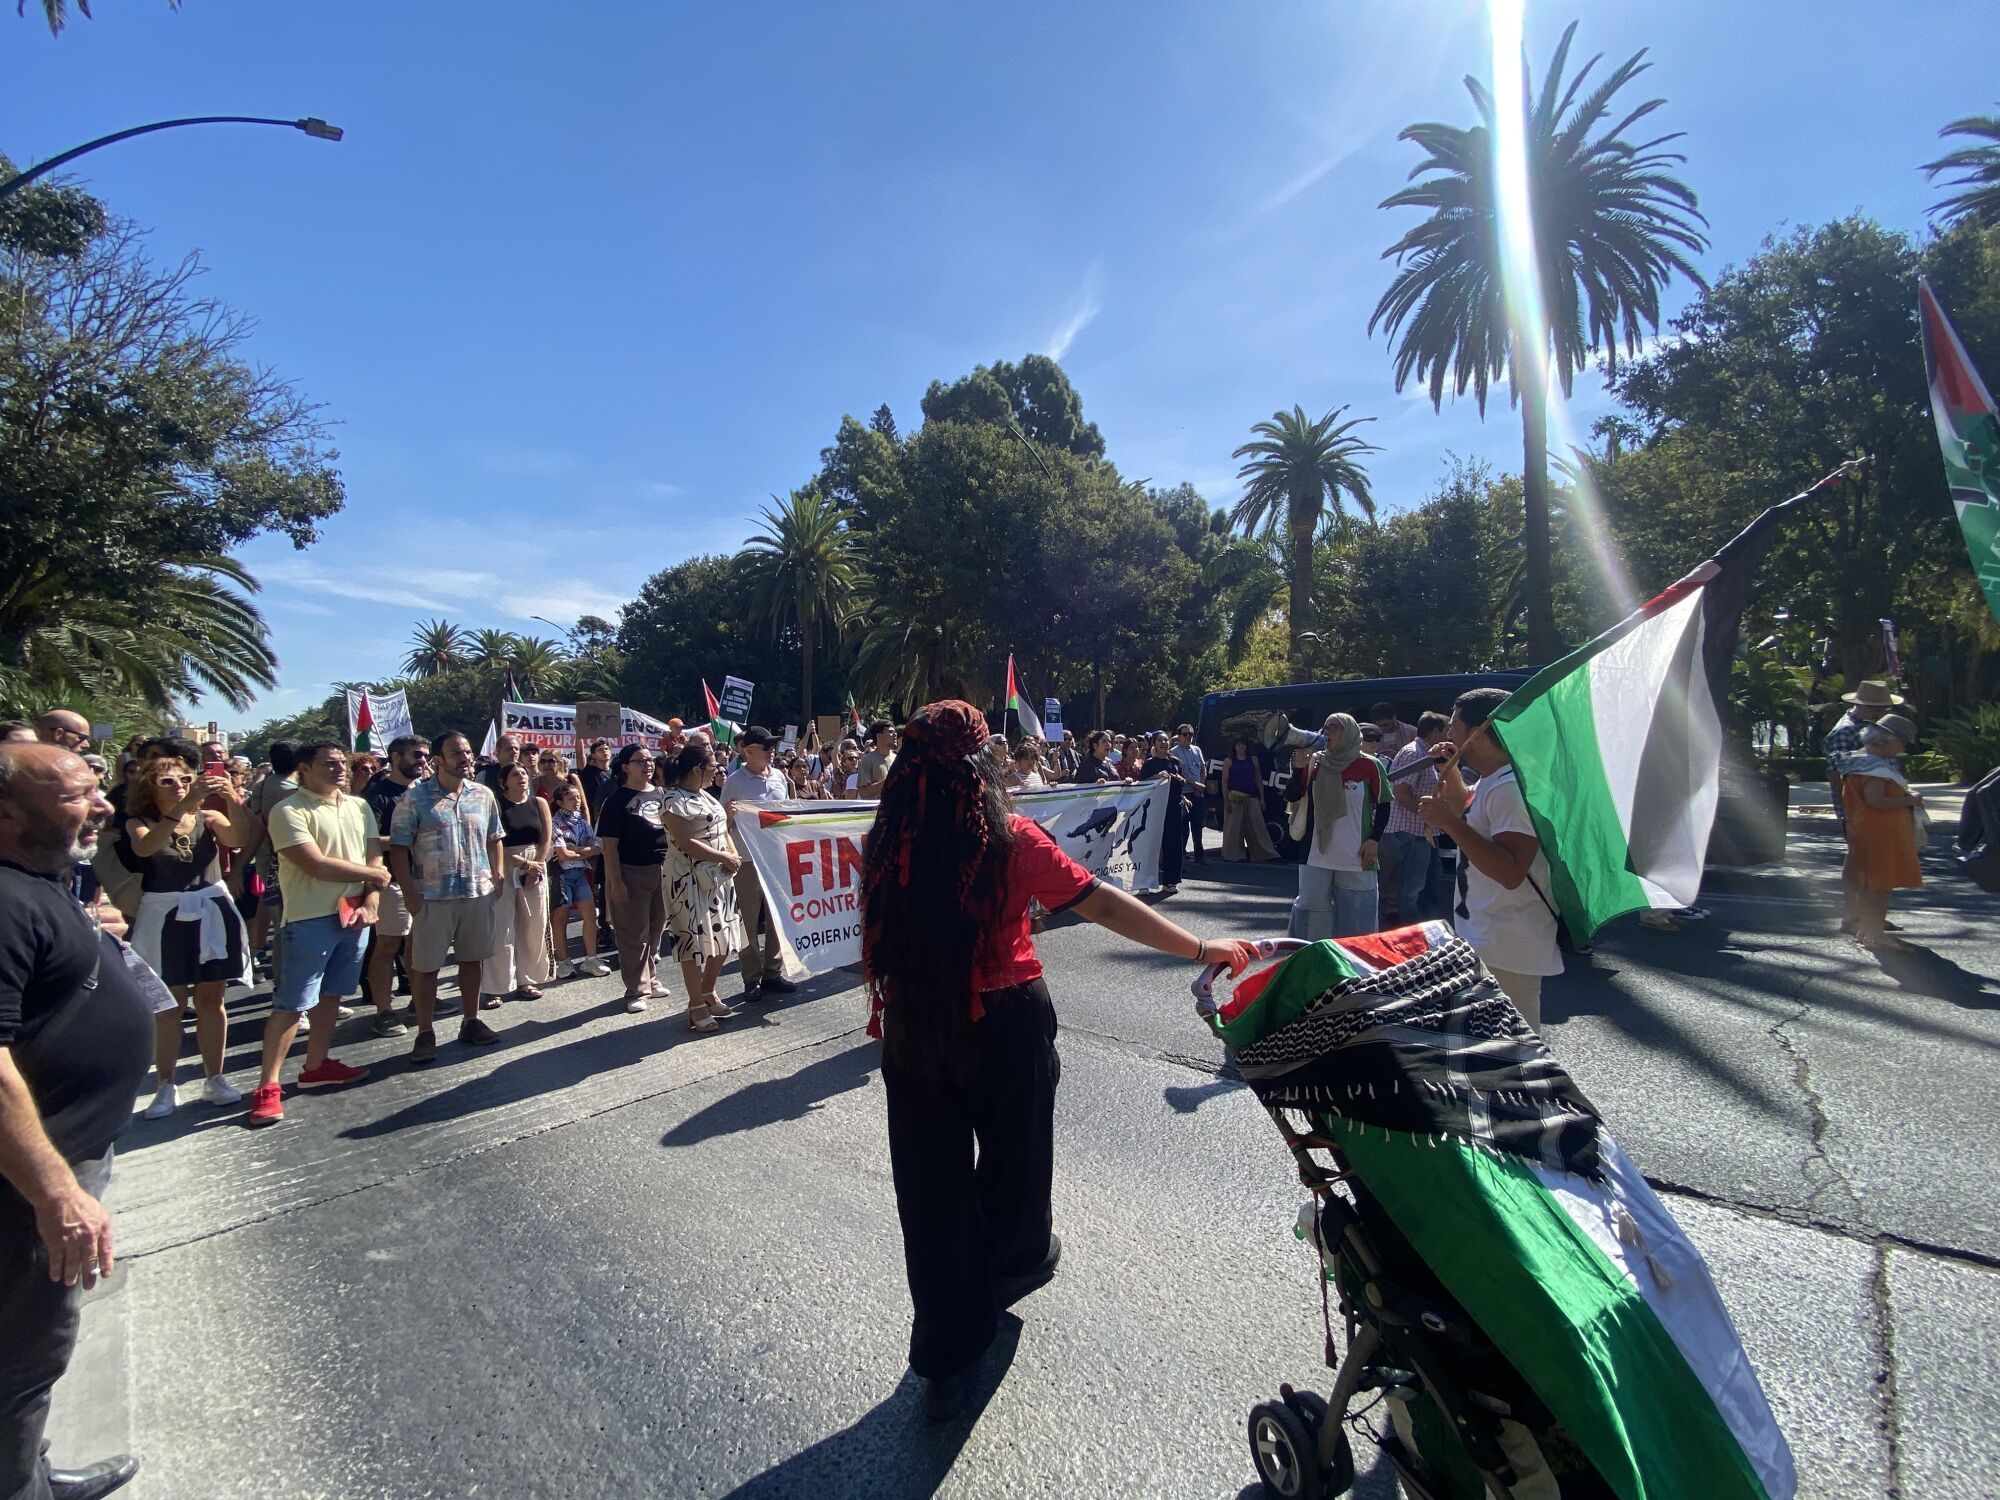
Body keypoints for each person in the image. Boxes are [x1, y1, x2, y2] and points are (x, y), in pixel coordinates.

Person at [859, 701, 1255, 1420]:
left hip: (916, 1027)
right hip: (1005, 1020)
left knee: (931, 1188)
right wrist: (1203, 948)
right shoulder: (1011, 840)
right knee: (1016, 1162)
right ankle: (1013, 1264)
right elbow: (1103, 906)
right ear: (984, 763)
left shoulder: (888, 841)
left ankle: (947, 1348)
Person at [0, 744, 149, 1500]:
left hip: (58, 1158)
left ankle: (30, 1469)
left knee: (30, 1356)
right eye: (80, 795)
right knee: (20, 1361)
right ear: (6, 812)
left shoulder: (38, 883)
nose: (103, 806)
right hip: (24, 1184)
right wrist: (56, 1193)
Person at [251, 743, 383, 1126]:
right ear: (304, 769)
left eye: (342, 763)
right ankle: (268, 1086)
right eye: (329, 764)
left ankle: (316, 1065)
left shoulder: (359, 806)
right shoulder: (287, 810)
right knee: (293, 1003)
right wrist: (375, 877)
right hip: (308, 920)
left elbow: (374, 856)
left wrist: (371, 901)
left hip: (354, 917)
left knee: (332, 996)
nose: (340, 769)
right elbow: (315, 865)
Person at [1418, 687, 1561, 1030]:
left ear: (1479, 731)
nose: (1448, 733)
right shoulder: (1492, 780)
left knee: (1515, 1057)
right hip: (1487, 935)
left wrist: (1448, 822)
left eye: (1454, 727)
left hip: (1508, 943)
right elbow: (1470, 811)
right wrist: (1449, 769)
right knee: (1487, 1051)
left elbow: (1511, 871)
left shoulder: (1510, 788)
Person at [123, 751, 256, 1119]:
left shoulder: (207, 817)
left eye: (184, 779)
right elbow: (146, 847)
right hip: (164, 916)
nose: (179, 786)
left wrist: (230, 797)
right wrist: (183, 807)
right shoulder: (139, 821)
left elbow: (240, 837)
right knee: (170, 1006)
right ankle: (166, 1084)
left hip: (210, 908)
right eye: (168, 781)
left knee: (212, 999)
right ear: (150, 788)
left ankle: (216, 1077)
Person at [387, 731, 505, 1061]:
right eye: (456, 753)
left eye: (467, 751)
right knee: (425, 967)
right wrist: (409, 894)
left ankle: (471, 1020)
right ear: (438, 759)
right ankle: (425, 1031)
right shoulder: (415, 798)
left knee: (472, 958)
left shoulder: (483, 795)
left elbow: (494, 836)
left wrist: (497, 873)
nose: (465, 757)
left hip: (476, 892)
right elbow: (398, 848)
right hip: (431, 897)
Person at [660, 740, 748, 1033]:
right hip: (687, 880)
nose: (717, 771)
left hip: (718, 879)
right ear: (697, 768)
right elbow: (685, 841)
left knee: (723, 936)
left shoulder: (708, 796)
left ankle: (708, 990)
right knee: (692, 941)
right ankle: (695, 1004)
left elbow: (723, 829)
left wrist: (731, 855)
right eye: (713, 767)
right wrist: (722, 856)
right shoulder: (673, 799)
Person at [1283, 714, 1388, 940]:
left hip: (1356, 854)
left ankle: (1356, 965)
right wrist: (1297, 770)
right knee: (1311, 911)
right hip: (1315, 852)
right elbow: (1292, 795)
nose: (1327, 732)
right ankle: (1310, 959)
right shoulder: (1314, 762)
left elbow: (1385, 805)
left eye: (1334, 727)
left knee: (1357, 916)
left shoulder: (1370, 765)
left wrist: (1375, 840)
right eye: (1326, 727)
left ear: (1349, 732)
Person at [359, 736, 429, 1038]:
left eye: (425, 756)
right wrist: (408, 837)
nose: (422, 761)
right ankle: (384, 1011)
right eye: (416, 755)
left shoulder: (426, 791)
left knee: (419, 945)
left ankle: (420, 1000)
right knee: (388, 945)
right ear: (396, 756)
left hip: (427, 880)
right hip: (391, 881)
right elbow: (369, 840)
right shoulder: (377, 794)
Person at [721, 728, 797, 1000]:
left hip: (774, 857)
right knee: (748, 922)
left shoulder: (779, 777)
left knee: (777, 917)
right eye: (765, 747)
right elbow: (721, 824)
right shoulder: (735, 781)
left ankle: (773, 972)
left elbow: (787, 814)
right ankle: (751, 977)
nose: (771, 751)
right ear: (748, 751)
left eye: (772, 746)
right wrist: (729, 816)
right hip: (747, 859)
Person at [1840, 714, 1925, 951]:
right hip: (1879, 833)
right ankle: (1876, 934)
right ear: (1888, 740)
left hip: (1865, 830)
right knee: (1879, 886)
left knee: (1870, 884)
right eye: (1902, 742)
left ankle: (1867, 930)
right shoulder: (1874, 768)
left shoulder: (1859, 762)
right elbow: (1876, 801)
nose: (1902, 748)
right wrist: (1910, 800)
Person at [597, 744, 670, 1012]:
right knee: (633, 932)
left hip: (662, 869)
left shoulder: (662, 794)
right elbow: (609, 846)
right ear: (626, 766)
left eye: (650, 760)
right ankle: (636, 990)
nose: (647, 764)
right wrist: (615, 881)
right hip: (631, 870)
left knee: (655, 929)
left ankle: (650, 978)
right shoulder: (616, 801)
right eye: (640, 761)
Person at [482, 765, 553, 1007]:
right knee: (502, 927)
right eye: (515, 774)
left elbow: (546, 838)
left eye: (524, 774)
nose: (521, 778)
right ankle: (495, 987)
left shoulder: (539, 803)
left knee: (533, 923)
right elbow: (493, 841)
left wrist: (537, 865)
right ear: (504, 781)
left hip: (535, 865)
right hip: (505, 863)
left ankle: (527, 980)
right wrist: (523, 864)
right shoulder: (497, 805)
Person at [242, 741, 302, 980]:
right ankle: (285, 985)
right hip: (283, 863)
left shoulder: (265, 784)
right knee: (287, 927)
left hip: (268, 860)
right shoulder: (288, 790)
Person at [1383, 712, 1449, 922]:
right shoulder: (1415, 753)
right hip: (1408, 831)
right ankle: (1409, 929)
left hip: (1421, 831)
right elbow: (1401, 791)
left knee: (1423, 883)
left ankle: (1418, 924)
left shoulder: (1426, 754)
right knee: (1412, 887)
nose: (1449, 736)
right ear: (1435, 732)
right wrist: (1428, 815)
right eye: (1446, 730)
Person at [547, 784, 610, 978]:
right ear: (560, 802)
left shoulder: (583, 822)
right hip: (561, 875)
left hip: (580, 873)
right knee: (561, 918)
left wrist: (576, 850)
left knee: (590, 915)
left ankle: (591, 959)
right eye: (571, 798)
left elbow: (597, 848)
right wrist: (582, 851)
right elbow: (561, 854)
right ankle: (563, 962)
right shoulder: (554, 823)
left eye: (578, 797)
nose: (577, 801)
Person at [1825, 679, 1902, 826]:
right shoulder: (1845, 732)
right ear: (1860, 705)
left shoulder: (1873, 725)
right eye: (1876, 709)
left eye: (1885, 709)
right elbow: (1836, 775)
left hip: (1881, 809)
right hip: (1862, 811)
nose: (1881, 713)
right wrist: (1849, 810)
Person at [1137, 732, 1191, 893]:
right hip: (1154, 808)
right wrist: (1156, 776)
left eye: (1165, 740)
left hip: (1173, 807)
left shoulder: (1175, 762)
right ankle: (1143, 883)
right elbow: (1141, 784)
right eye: (1159, 740)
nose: (1163, 743)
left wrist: (1181, 781)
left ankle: (1170, 881)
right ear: (1154, 744)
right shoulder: (1149, 764)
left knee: (1173, 845)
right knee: (1150, 845)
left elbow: (1181, 780)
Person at [1220, 738, 1279, 861]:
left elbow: (1258, 780)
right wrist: (1226, 801)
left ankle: (1265, 854)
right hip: (1235, 798)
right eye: (1239, 744)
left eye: (1243, 744)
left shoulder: (1253, 760)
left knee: (1258, 827)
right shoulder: (1229, 761)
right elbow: (1224, 782)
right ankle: (1234, 855)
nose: (1241, 747)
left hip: (1251, 797)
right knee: (1234, 829)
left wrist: (1262, 799)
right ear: (1234, 747)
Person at [1168, 725, 1208, 867]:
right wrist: (1195, 785)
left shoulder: (1197, 750)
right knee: (1183, 828)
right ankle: (1181, 859)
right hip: (1184, 793)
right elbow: (1178, 773)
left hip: (1197, 793)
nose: (1188, 737)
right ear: (1179, 736)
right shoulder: (1173, 752)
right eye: (1185, 734)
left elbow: (1202, 769)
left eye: (1190, 734)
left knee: (1198, 826)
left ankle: (1199, 856)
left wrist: (1200, 786)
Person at [856, 721, 899, 800]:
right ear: (879, 736)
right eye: (890, 732)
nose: (895, 735)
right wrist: (888, 781)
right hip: (876, 810)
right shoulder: (867, 760)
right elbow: (863, 793)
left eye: (895, 732)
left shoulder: (897, 759)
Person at [577, 741, 616, 823]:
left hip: (611, 817)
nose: (604, 751)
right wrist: (579, 734)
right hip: (591, 819)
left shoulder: (615, 774)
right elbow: (580, 755)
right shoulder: (588, 771)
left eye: (606, 749)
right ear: (593, 755)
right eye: (600, 750)